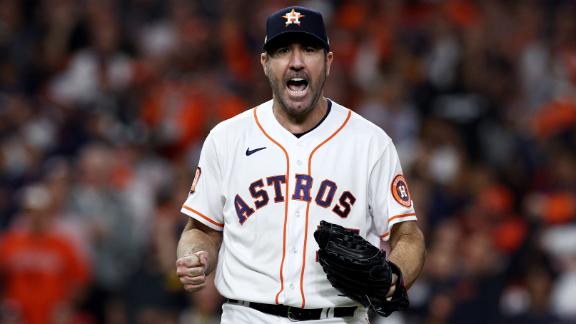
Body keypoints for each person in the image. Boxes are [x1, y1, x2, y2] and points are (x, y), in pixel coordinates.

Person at [176, 6, 425, 323]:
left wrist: (392, 275)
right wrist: (195, 255)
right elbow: (201, 229)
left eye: (309, 49)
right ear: (265, 64)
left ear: (328, 62)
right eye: (282, 51)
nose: (296, 61)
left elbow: (409, 235)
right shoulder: (226, 138)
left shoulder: (370, 143)